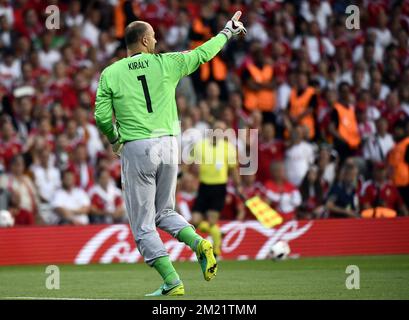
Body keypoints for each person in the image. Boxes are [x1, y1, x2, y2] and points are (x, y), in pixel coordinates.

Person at [94, 13, 246, 296]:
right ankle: (199, 243)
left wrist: (115, 140)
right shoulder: (167, 63)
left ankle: (172, 281)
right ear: (143, 40)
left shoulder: (110, 74)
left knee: (142, 225)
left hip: (137, 147)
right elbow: (203, 53)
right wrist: (227, 31)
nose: (156, 40)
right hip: (168, 144)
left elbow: (102, 117)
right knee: (164, 212)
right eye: (152, 36)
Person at [190, 120, 242, 257]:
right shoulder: (200, 146)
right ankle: (218, 233)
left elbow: (233, 170)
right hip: (203, 186)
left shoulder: (228, 148)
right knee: (195, 221)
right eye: (216, 129)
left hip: (219, 187)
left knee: (212, 221)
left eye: (221, 130)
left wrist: (239, 186)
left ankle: (217, 250)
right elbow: (191, 166)